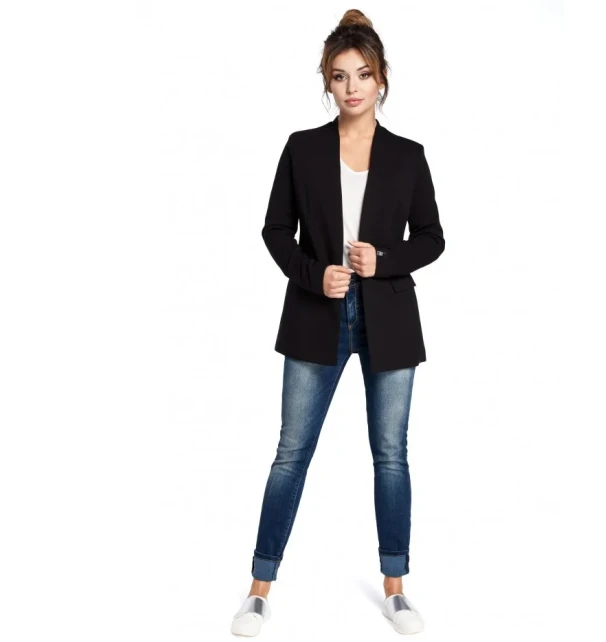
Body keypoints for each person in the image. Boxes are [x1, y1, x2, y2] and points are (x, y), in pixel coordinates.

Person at [231, 9, 445, 637]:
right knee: (291, 453)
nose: (352, 87)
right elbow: (275, 229)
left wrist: (384, 261)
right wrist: (311, 274)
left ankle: (396, 589)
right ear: (326, 81)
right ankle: (258, 590)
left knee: (391, 456)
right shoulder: (302, 148)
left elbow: (432, 238)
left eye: (363, 74)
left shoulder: (408, 156)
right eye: (340, 75)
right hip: (315, 314)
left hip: (390, 320)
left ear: (382, 79)